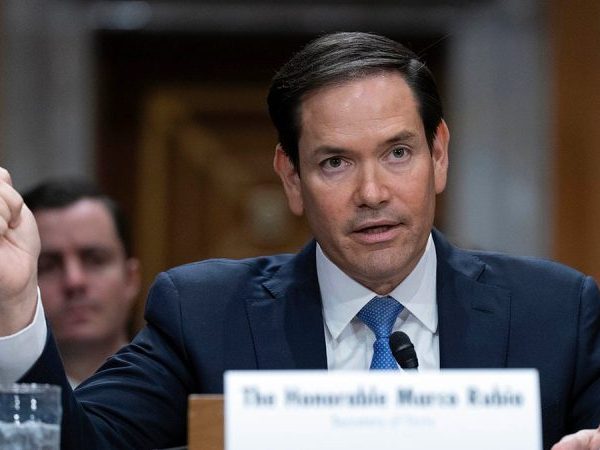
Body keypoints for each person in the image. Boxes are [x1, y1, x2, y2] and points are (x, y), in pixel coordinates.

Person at [0, 32, 598, 450]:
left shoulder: (557, 314)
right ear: (291, 178)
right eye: (335, 162)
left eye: (398, 153)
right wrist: (17, 306)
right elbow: (74, 445)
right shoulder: (204, 316)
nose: (372, 192)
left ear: (438, 155)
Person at [21, 179, 141, 387]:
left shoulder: (184, 395)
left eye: (95, 260)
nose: (74, 281)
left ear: (131, 278)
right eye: (48, 266)